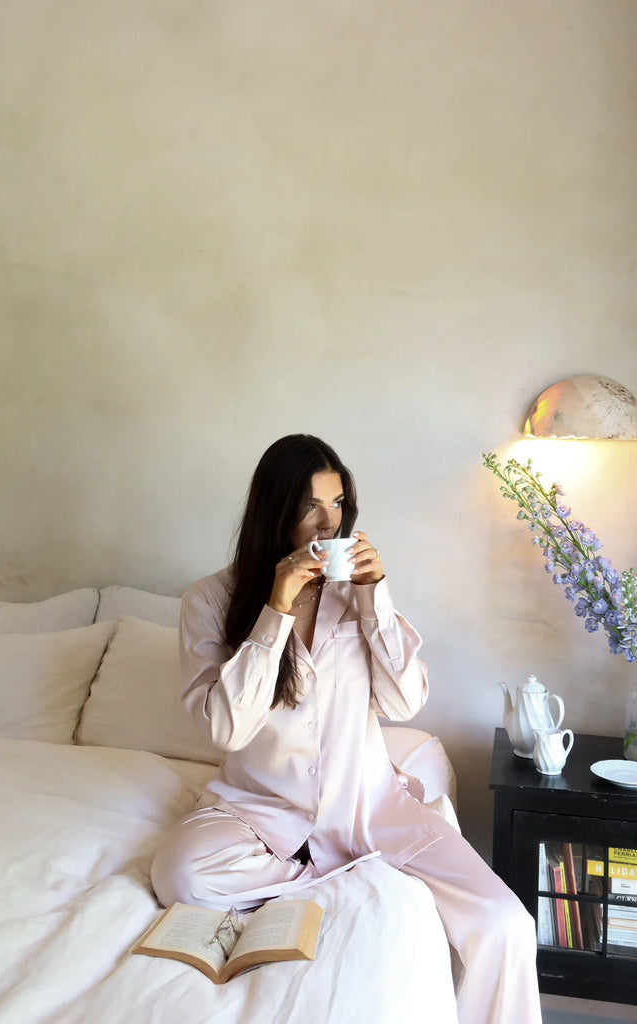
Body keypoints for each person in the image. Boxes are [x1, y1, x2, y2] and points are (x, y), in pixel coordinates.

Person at [151, 434, 542, 1024]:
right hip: (259, 811)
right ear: (274, 510)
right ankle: (337, 874)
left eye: (336, 504)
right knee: (179, 874)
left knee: (506, 923)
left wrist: (373, 599)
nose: (327, 522)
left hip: (370, 807)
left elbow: (404, 702)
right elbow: (226, 729)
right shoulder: (209, 600)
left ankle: (332, 872)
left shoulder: (357, 593)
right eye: (310, 506)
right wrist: (276, 611)